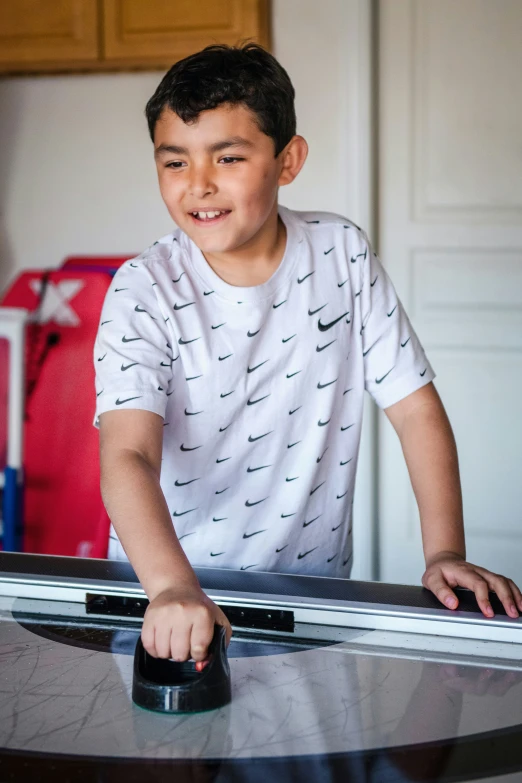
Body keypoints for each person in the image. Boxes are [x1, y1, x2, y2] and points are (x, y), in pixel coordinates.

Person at [93, 42, 522, 668]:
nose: (199, 184)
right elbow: (126, 454)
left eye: (229, 157)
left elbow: (415, 410)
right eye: (175, 162)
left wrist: (444, 554)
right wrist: (172, 587)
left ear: (287, 160)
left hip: (312, 601)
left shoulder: (340, 253)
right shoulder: (143, 288)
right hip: (166, 606)